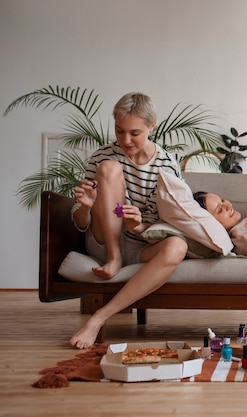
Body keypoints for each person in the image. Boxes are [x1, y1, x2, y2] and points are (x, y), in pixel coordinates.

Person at [69, 92, 188, 349]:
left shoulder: (167, 165)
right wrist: (86, 208)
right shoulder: (102, 156)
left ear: (151, 127)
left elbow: (173, 221)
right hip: (103, 241)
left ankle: (98, 318)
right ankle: (114, 258)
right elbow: (80, 222)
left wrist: (140, 226)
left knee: (179, 246)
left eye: (134, 133)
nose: (125, 140)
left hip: (142, 245)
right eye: (119, 131)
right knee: (109, 168)